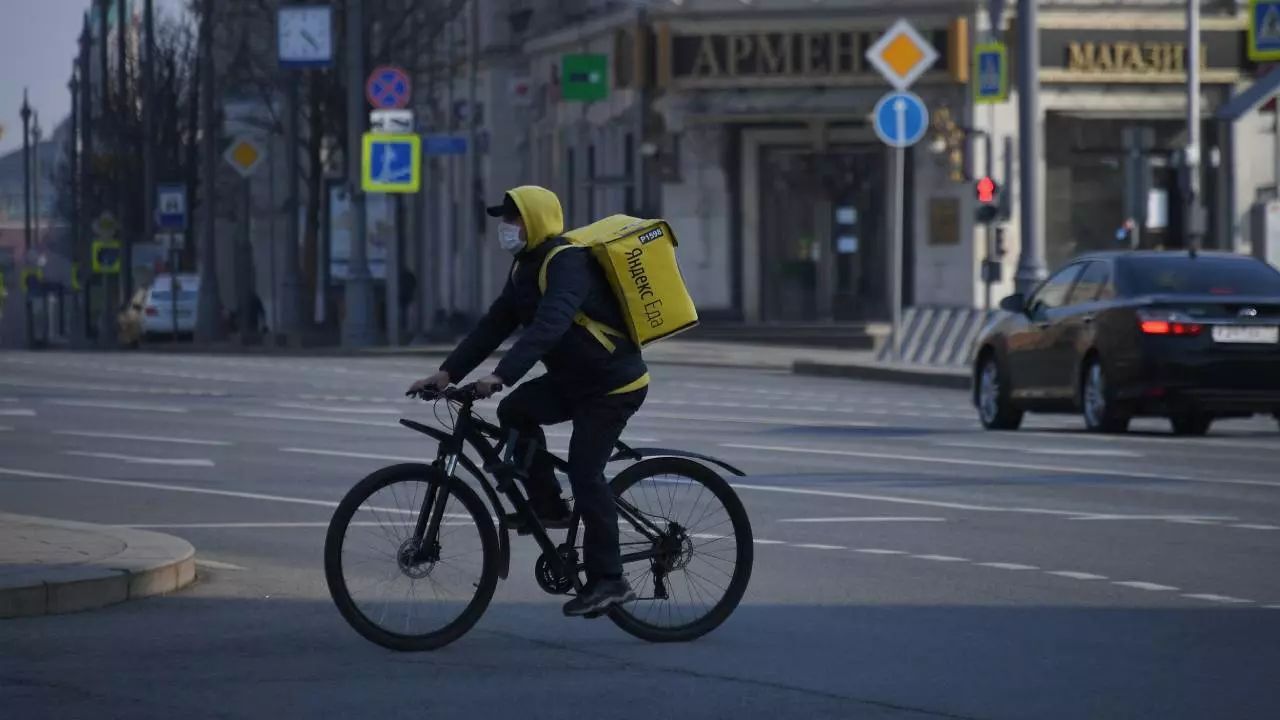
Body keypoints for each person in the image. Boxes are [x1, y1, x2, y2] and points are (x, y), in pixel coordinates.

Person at [408, 185, 649, 617]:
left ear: (535, 220)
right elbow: (493, 326)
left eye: (513, 219)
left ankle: (611, 581)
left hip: (612, 385)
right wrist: (447, 373)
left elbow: (550, 325)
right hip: (575, 380)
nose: (507, 228)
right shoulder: (524, 268)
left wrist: (501, 375)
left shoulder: (567, 262)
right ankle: (548, 505)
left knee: (584, 470)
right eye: (504, 220)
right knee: (516, 410)